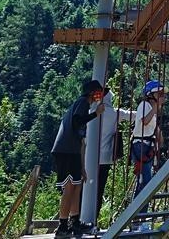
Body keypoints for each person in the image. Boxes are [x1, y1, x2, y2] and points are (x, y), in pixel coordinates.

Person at [50, 78, 106, 238]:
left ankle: (74, 222)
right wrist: (96, 113)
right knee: (69, 188)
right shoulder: (82, 102)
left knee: (77, 185)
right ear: (91, 93)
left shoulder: (83, 106)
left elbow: (82, 142)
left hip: (72, 151)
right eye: (97, 93)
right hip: (65, 151)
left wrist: (82, 168)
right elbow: (77, 121)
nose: (99, 97)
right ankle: (62, 226)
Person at [89, 92, 136, 231]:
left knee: (84, 190)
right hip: (105, 158)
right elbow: (133, 115)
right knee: (99, 191)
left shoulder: (91, 111)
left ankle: (77, 219)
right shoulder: (115, 113)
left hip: (88, 157)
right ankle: (93, 220)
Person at [130, 80, 166, 194]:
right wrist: (156, 107)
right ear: (151, 95)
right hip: (141, 144)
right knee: (144, 181)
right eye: (160, 94)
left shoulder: (151, 108)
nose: (163, 97)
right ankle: (139, 210)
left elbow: (152, 126)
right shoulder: (145, 105)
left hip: (146, 145)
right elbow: (145, 121)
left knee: (144, 181)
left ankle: (140, 210)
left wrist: (160, 138)